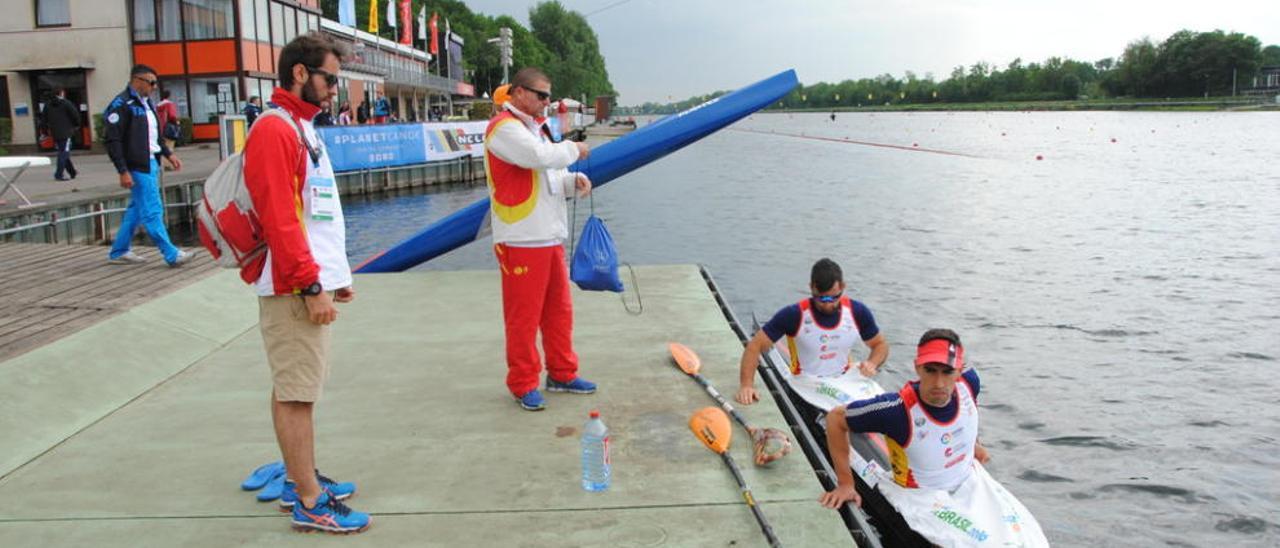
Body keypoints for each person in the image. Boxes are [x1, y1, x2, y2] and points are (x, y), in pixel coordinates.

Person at [240, 31, 370, 534]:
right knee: (297, 393)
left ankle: (300, 479)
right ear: (300, 73)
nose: (336, 89)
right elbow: (280, 218)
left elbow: (313, 215)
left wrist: (335, 276)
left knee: (294, 386)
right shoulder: (276, 129)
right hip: (294, 288)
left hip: (307, 280)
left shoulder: (301, 126)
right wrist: (310, 287)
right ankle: (309, 502)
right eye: (330, 78)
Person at [485, 67, 594, 411]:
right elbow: (539, 158)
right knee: (523, 319)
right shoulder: (503, 129)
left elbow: (551, 174)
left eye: (549, 95)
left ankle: (561, 372)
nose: (547, 101)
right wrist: (575, 148)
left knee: (559, 312)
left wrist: (571, 181)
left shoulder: (539, 130)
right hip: (520, 239)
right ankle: (522, 382)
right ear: (518, 93)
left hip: (547, 236)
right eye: (541, 95)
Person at [820, 328, 990, 509]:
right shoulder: (896, 411)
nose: (939, 383)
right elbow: (835, 419)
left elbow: (969, 412)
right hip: (921, 502)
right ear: (917, 367)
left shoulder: (970, 383)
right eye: (930, 370)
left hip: (967, 484)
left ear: (960, 371)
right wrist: (845, 484)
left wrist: (974, 444)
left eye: (947, 372)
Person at [735, 258, 888, 411]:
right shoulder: (794, 315)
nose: (827, 304)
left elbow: (880, 345)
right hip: (807, 382)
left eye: (833, 297)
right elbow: (754, 346)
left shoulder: (857, 311)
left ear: (843, 287)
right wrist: (747, 385)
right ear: (811, 288)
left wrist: (872, 363)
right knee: (850, 411)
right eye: (821, 298)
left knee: (886, 405)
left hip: (845, 377)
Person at [104, 65, 193, 267]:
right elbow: (113, 140)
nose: (154, 87)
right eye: (150, 82)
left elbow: (154, 136)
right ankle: (170, 253)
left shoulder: (147, 104)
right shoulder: (121, 105)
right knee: (152, 209)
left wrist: (168, 154)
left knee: (136, 209)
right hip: (137, 165)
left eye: (155, 83)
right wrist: (122, 171)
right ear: (137, 80)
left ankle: (119, 250)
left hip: (150, 161)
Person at [45, 88, 80, 181]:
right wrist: (76, 125)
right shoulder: (66, 103)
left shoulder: (48, 104)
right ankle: (58, 174)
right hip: (66, 132)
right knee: (63, 153)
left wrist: (45, 131)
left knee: (63, 151)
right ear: (61, 93)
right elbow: (75, 114)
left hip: (55, 132)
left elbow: (44, 118)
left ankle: (72, 171)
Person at [156, 90, 180, 170]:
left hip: (159, 128)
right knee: (169, 147)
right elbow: (172, 116)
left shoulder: (158, 106)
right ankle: (168, 165)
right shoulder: (169, 104)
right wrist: (177, 122)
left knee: (162, 146)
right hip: (168, 128)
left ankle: (162, 164)